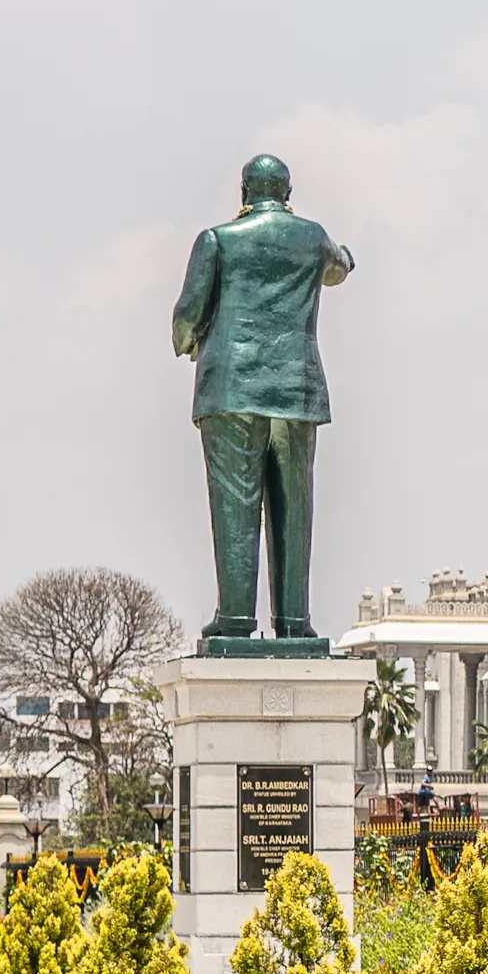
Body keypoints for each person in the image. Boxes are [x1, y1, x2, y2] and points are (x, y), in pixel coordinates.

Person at [170, 154, 354, 646]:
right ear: (287, 194)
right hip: (296, 388)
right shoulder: (313, 237)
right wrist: (344, 256)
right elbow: (338, 268)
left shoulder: (218, 240)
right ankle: (294, 621)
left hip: (230, 387)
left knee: (236, 500)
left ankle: (234, 619)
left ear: (244, 193)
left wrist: (189, 342)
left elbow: (188, 313)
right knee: (294, 505)